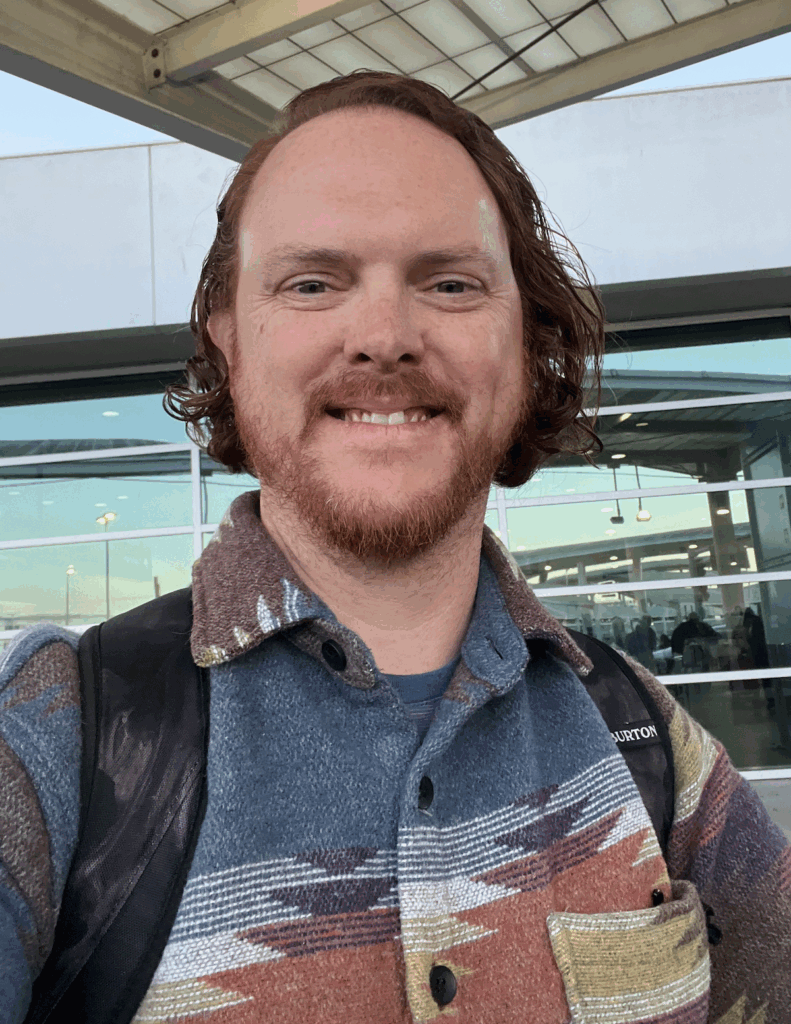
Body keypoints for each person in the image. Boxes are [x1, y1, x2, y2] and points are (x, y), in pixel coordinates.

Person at [1, 70, 788, 1024]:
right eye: (312, 282)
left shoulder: (649, 742)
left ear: (522, 341)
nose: (382, 337)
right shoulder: (58, 743)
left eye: (450, 282)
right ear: (231, 343)